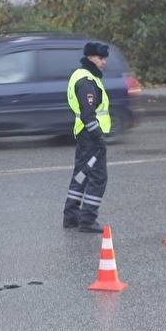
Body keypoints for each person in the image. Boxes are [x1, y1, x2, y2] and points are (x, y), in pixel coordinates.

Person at [63, 42, 111, 234]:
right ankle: (88, 220)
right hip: (91, 136)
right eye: (101, 58)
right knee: (98, 177)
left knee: (81, 175)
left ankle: (71, 216)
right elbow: (88, 114)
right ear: (91, 58)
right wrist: (99, 137)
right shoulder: (87, 81)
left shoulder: (82, 75)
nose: (104, 62)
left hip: (84, 134)